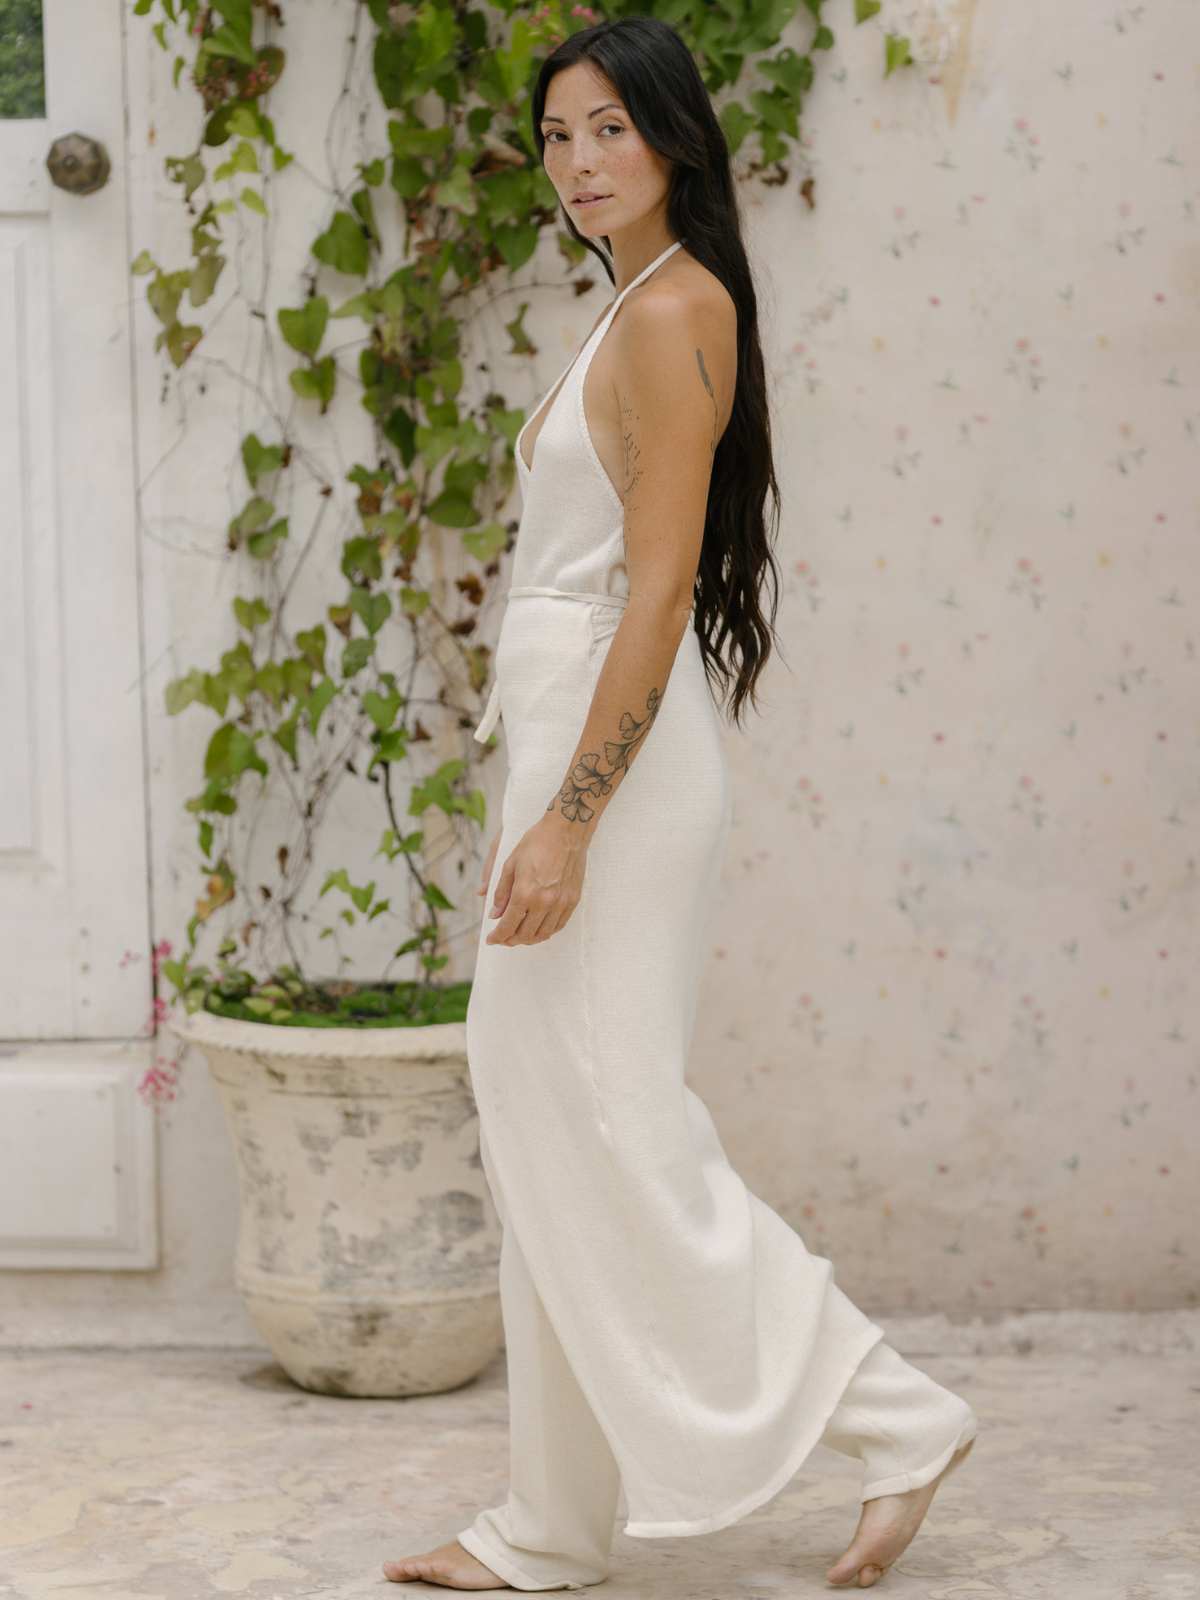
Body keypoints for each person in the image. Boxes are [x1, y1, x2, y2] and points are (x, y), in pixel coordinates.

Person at [384, 15, 978, 1592]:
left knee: (618, 1126)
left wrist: (571, 814)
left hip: (621, 775)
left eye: (610, 132)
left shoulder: (674, 315)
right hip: (579, 754)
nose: (582, 164)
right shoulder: (635, 304)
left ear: (674, 139)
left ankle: (892, 1415)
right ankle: (555, 1522)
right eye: (560, 135)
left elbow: (651, 597)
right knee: (545, 1130)